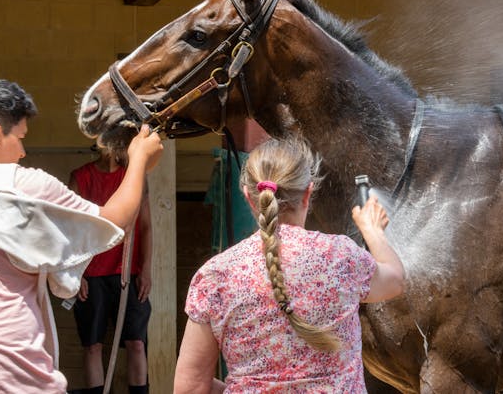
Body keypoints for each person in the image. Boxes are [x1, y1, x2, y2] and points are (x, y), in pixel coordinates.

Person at [0, 76, 162, 393]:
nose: (23, 152)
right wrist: (138, 161)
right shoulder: (21, 186)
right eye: (20, 138)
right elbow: (113, 223)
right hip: (16, 381)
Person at [173, 137, 405, 392]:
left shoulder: (215, 277)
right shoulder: (341, 256)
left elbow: (190, 388)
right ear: (308, 193)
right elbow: (394, 281)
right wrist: (373, 232)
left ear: (248, 197)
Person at [69, 147, 153, 394]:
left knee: (136, 343)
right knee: (92, 345)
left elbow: (146, 227)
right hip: (91, 273)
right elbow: (71, 229)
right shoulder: (81, 177)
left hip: (128, 272)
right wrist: (77, 272)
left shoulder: (133, 178)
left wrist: (146, 269)